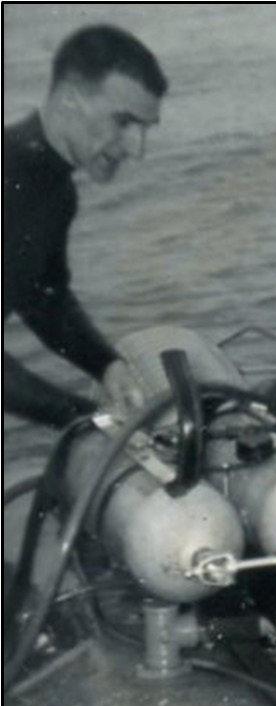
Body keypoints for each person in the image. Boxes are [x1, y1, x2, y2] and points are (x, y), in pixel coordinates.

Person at [3, 24, 166, 429]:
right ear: (71, 100)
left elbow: (43, 298)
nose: (137, 149)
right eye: (124, 122)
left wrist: (106, 365)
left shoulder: (57, 193)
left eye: (145, 129)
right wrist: (87, 421)